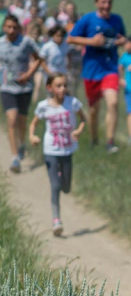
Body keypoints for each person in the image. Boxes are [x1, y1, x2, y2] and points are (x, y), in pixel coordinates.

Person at [67, 0, 124, 153]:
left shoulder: (117, 20)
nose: (106, 6)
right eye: (103, 2)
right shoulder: (87, 19)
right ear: (96, 2)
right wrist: (92, 42)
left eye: (109, 2)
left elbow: (121, 37)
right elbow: (70, 38)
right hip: (92, 70)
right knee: (93, 110)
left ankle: (110, 142)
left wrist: (121, 42)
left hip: (110, 68)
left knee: (113, 103)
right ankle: (93, 139)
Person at [28, 73, 85, 236]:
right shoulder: (43, 106)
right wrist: (32, 136)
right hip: (51, 150)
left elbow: (83, 119)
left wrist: (79, 130)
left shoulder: (72, 103)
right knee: (55, 186)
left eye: (65, 85)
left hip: (67, 150)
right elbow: (33, 124)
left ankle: (62, 178)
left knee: (66, 188)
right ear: (50, 88)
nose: (63, 89)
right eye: (59, 86)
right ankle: (56, 220)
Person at [1, 13, 41, 173]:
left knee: (22, 121)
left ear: (18, 28)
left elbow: (38, 58)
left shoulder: (26, 42)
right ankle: (15, 157)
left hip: (24, 87)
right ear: (4, 28)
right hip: (6, 87)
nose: (11, 30)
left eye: (14, 27)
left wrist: (29, 74)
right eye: (8, 27)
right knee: (12, 119)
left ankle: (22, 143)